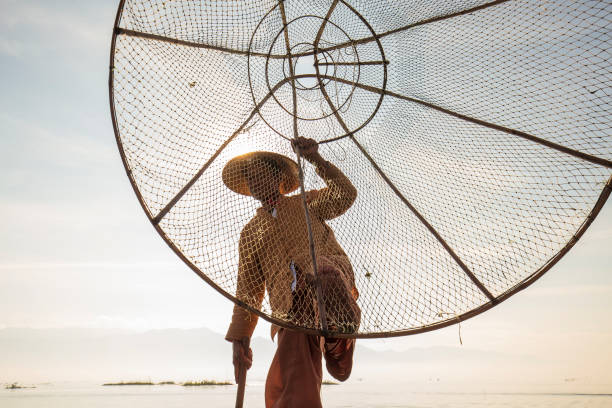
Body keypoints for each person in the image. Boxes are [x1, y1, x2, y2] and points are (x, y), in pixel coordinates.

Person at [222, 137, 361, 408]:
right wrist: (240, 339)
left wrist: (316, 160)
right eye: (250, 178)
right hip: (289, 311)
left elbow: (346, 194)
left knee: (323, 273)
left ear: (277, 178)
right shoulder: (251, 232)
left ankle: (337, 342)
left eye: (260, 173)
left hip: (328, 282)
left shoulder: (307, 203)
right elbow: (248, 291)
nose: (255, 182)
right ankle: (333, 343)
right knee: (293, 384)